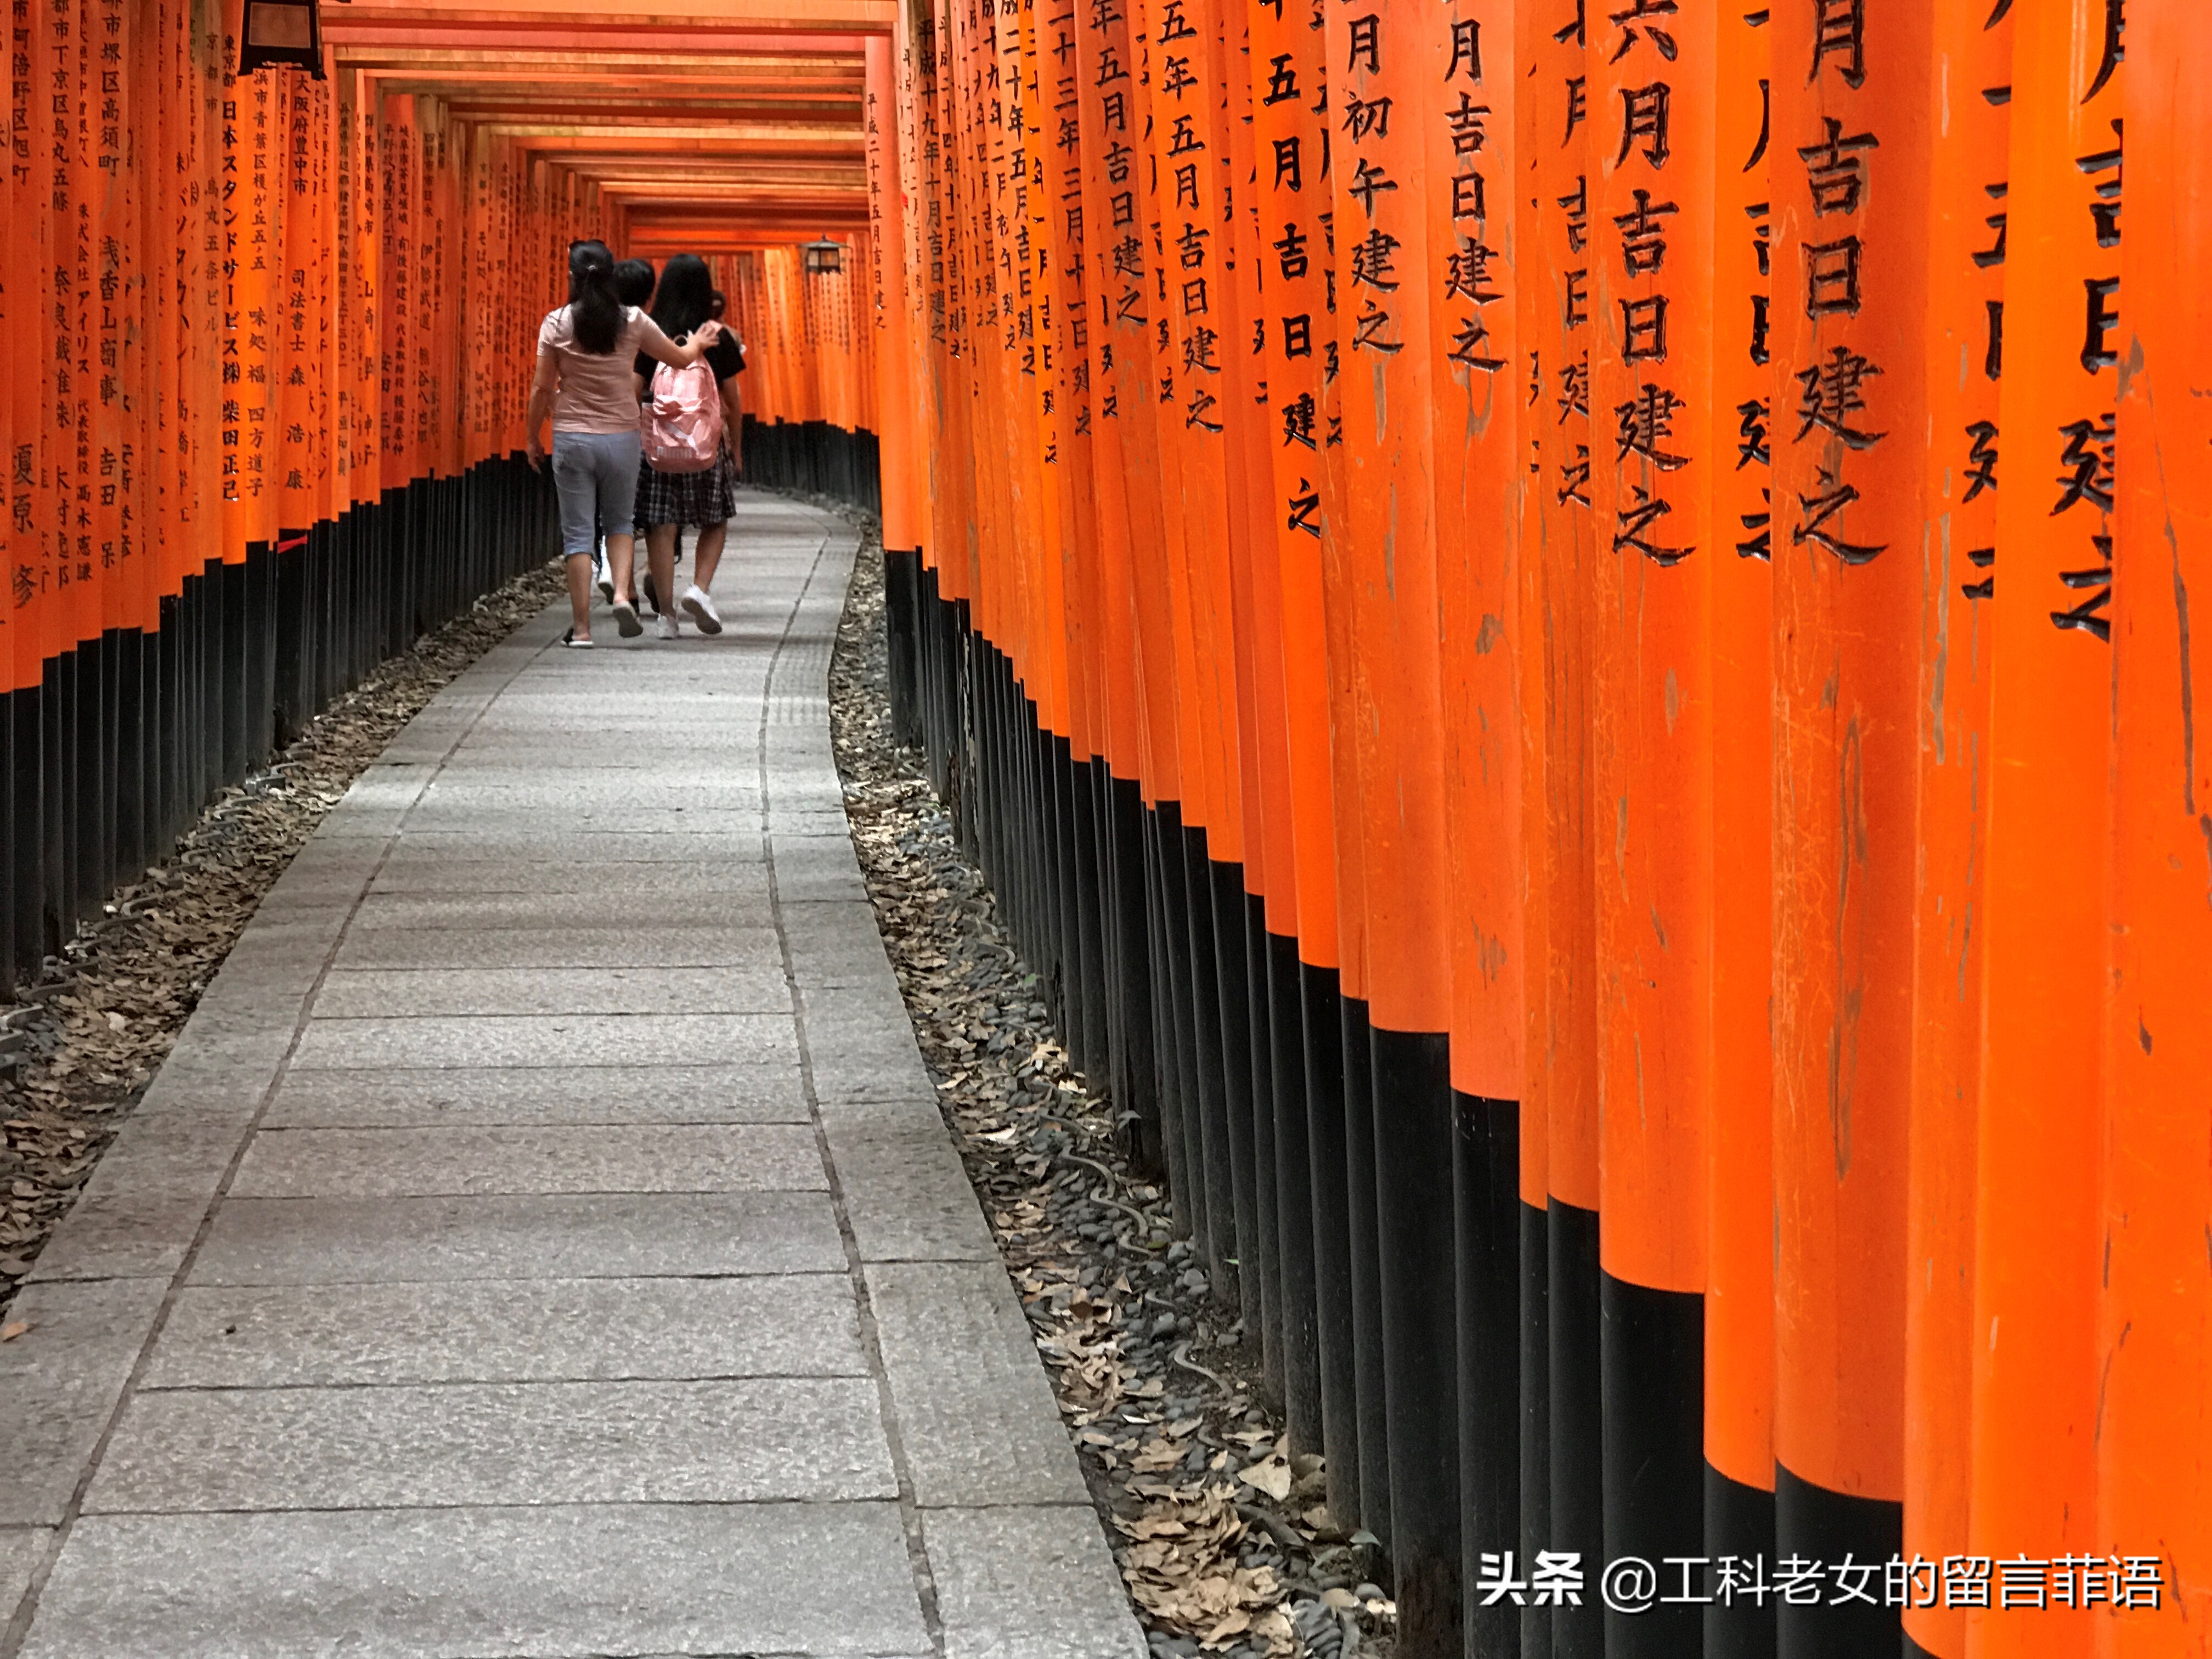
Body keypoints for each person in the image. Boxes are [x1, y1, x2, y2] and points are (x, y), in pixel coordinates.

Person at [524, 240, 721, 645]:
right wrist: (698, 344)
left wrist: (531, 438)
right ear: (611, 277)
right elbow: (679, 359)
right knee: (620, 523)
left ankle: (581, 630)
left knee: (578, 534)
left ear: (572, 278)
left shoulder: (557, 323)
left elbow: (541, 388)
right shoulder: (632, 320)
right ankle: (620, 595)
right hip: (622, 438)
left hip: (573, 436)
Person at [630, 254, 744, 638]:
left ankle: (666, 617)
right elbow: (732, 400)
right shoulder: (716, 335)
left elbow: (633, 391)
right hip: (705, 445)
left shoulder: (651, 331)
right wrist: (737, 448)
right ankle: (699, 588)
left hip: (659, 446)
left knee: (661, 525)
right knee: (715, 519)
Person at [593, 259, 661, 604]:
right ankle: (640, 576)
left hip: (595, 427)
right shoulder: (646, 327)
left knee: (615, 509)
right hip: (636, 430)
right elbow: (638, 383)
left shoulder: (594, 325)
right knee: (648, 509)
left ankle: (618, 579)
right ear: (650, 294)